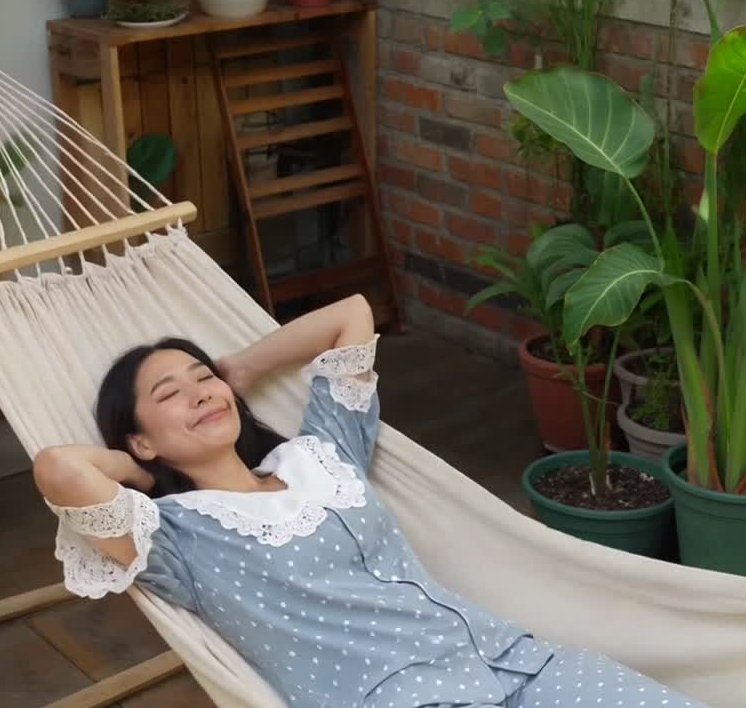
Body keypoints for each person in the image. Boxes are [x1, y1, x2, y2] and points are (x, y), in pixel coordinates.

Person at [35, 295, 708, 708]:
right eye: (169, 395)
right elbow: (59, 468)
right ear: (140, 437)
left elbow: (351, 315)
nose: (200, 392)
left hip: (512, 660)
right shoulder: (173, 539)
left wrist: (236, 370)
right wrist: (140, 473)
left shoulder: (321, 454)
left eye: (201, 378)